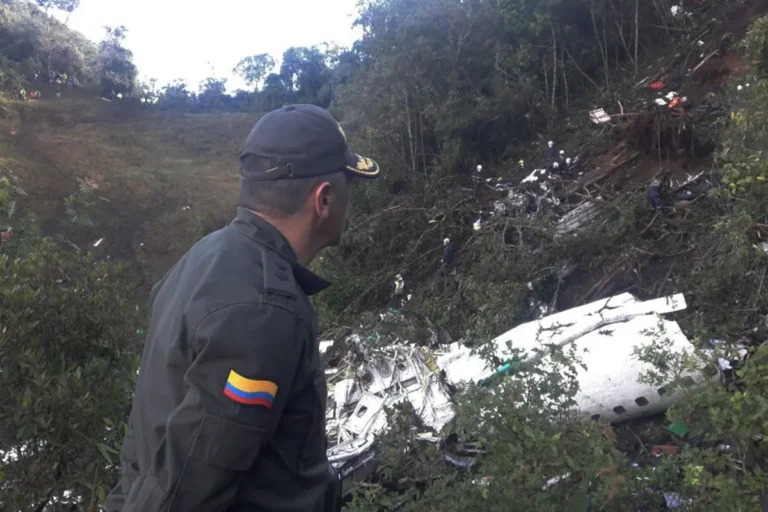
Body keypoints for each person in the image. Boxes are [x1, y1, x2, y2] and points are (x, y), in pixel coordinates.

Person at [106, 104, 380, 512]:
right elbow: (188, 489)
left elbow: (150, 442)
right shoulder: (265, 312)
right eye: (348, 188)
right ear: (323, 199)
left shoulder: (199, 260)